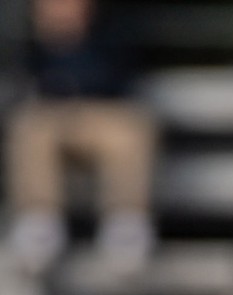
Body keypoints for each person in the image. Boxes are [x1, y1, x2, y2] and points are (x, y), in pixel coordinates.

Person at [4, 0, 155, 275]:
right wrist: (53, 42)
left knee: (132, 127)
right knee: (29, 125)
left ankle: (125, 228)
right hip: (54, 121)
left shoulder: (113, 32)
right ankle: (40, 226)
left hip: (103, 115)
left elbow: (119, 80)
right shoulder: (33, 40)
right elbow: (26, 85)